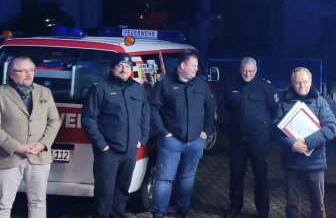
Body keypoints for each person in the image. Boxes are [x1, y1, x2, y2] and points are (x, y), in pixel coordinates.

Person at [0, 56, 61, 218]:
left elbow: (54, 121)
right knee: (3, 205)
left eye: (31, 70)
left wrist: (42, 144)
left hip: (39, 156)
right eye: (23, 70)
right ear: (11, 74)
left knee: (38, 202)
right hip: (8, 156)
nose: (28, 74)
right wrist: (16, 147)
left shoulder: (45, 92)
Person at [82, 52, 150, 218]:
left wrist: (142, 139)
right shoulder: (101, 88)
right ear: (112, 68)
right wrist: (101, 145)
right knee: (104, 191)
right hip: (108, 151)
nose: (124, 69)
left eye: (127, 66)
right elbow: (88, 119)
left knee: (122, 189)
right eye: (120, 66)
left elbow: (146, 115)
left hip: (130, 150)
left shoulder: (137, 88)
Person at [150, 52, 216, 218]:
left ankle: (183, 210)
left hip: (195, 140)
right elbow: (153, 108)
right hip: (171, 141)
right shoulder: (165, 84)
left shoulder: (200, 84)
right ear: (182, 66)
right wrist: (163, 132)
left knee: (187, 177)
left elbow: (210, 107)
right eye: (193, 65)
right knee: (164, 179)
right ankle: (159, 213)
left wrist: (206, 131)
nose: (196, 69)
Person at [274, 67, 336, 218]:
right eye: (297, 82)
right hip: (292, 163)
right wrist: (292, 144)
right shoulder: (283, 102)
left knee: (317, 204)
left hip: (315, 163)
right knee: (292, 205)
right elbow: (275, 130)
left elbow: (331, 128)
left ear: (311, 81)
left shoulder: (319, 102)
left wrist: (308, 142)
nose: (302, 86)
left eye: (305, 82)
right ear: (292, 82)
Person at [223, 57, 278, 218]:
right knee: (236, 174)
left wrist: (264, 127)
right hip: (237, 139)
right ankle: (235, 207)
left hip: (258, 139)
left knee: (261, 174)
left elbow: (275, 110)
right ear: (240, 69)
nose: (247, 74)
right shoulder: (231, 84)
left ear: (256, 70)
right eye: (245, 71)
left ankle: (263, 210)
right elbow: (227, 107)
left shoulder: (265, 87)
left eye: (251, 71)